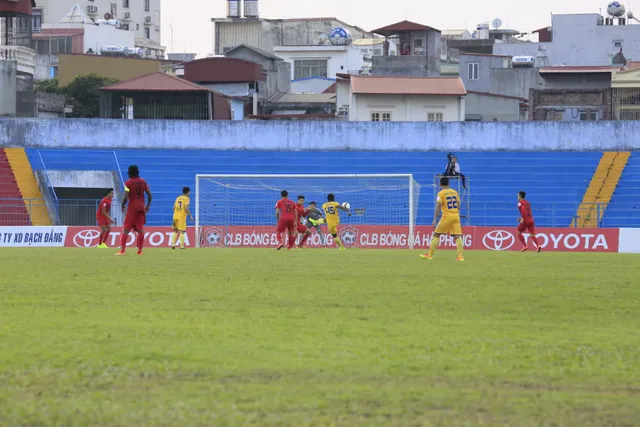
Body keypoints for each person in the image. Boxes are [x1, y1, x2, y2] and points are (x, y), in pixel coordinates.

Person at [421, 177, 464, 261]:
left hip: (447, 216)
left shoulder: (441, 193)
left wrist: (435, 219)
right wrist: (455, 212)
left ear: (440, 184)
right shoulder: (455, 192)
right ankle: (460, 257)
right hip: (456, 215)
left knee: (436, 234)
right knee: (457, 236)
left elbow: (438, 206)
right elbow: (459, 204)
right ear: (448, 184)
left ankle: (429, 255)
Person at [116, 165, 152, 256]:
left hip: (132, 208)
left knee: (126, 230)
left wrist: (122, 205)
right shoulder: (143, 182)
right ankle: (140, 251)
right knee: (140, 230)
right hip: (141, 207)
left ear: (129, 172)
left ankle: (122, 250)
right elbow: (150, 195)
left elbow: (125, 196)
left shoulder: (128, 183)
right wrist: (147, 206)